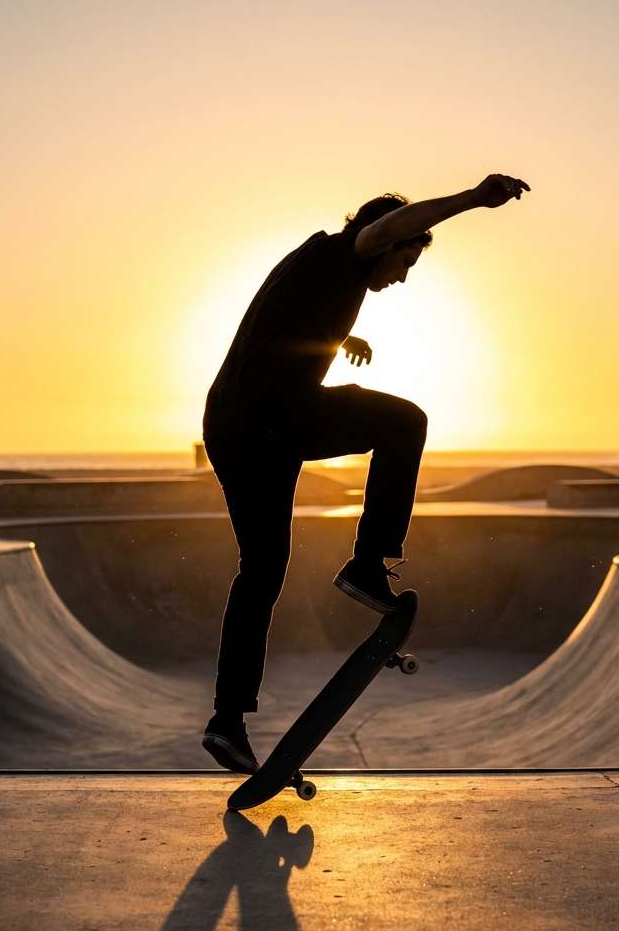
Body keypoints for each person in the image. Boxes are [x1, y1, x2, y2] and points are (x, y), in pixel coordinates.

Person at [200, 175, 530, 773]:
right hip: (276, 419)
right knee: (404, 422)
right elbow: (383, 231)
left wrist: (339, 335)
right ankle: (368, 562)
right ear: (383, 244)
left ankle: (227, 721)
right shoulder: (344, 251)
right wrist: (473, 198)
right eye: (404, 261)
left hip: (237, 429)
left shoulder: (315, 268)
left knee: (262, 569)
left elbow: (282, 318)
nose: (402, 277)